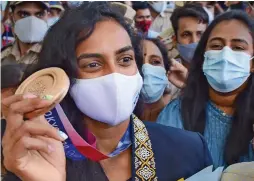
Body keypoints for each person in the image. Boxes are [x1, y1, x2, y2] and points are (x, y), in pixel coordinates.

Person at [1, 2, 212, 181]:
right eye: (92, 64)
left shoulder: (189, 151)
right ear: (63, 78)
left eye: (125, 60)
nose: (115, 76)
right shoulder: (34, 155)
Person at [157, 10, 254, 168]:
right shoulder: (177, 113)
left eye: (237, 47)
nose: (225, 54)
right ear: (204, 58)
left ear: (252, 63)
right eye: (216, 46)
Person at [1, 1, 49, 66]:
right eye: (24, 15)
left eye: (39, 15)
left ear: (47, 16)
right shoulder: (3, 55)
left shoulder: (56, 56)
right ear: (11, 17)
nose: (32, 22)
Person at [170, 3, 209, 69]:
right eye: (186, 35)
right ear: (175, 41)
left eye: (200, 34)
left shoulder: (218, 73)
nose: (194, 41)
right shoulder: (166, 74)